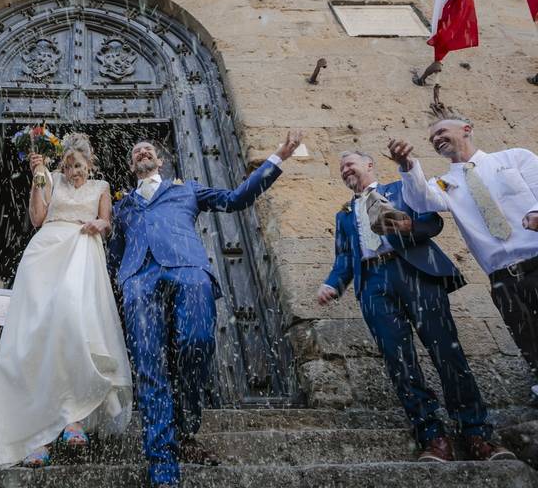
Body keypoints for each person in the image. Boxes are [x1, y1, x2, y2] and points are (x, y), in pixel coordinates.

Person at [108, 131, 302, 488]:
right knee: (149, 367)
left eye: (148, 149)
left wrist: (277, 158)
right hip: (138, 279)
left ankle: (184, 427)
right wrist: (120, 281)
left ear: (160, 162)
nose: (142, 152)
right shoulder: (122, 207)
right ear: (131, 165)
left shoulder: (188, 189)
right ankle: (162, 466)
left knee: (196, 342)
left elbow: (235, 199)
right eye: (136, 152)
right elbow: (114, 254)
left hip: (189, 269)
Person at [318, 150, 513, 462]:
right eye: (340, 168)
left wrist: (407, 226)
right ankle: (432, 437)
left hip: (415, 273)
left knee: (447, 352)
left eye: (349, 164)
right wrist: (332, 284)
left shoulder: (401, 189)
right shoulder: (343, 215)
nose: (344, 170)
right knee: (399, 362)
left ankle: (476, 433)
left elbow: (432, 222)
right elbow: (343, 259)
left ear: (369, 164)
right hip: (373, 284)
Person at [0, 133, 132, 468]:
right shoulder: (50, 178)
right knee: (35, 337)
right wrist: (38, 178)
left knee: (73, 327)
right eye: (67, 165)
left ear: (89, 163)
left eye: (78, 165)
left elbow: (106, 222)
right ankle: (37, 435)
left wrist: (100, 223)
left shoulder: (101, 186)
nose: (73, 172)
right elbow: (38, 219)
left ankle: (73, 415)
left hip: (82, 253)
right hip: (44, 255)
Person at [390, 118, 538, 403]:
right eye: (432, 137)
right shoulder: (446, 183)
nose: (436, 139)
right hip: (502, 277)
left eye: (442, 131)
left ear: (467, 129)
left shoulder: (514, 158)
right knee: (528, 337)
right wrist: (407, 166)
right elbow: (422, 202)